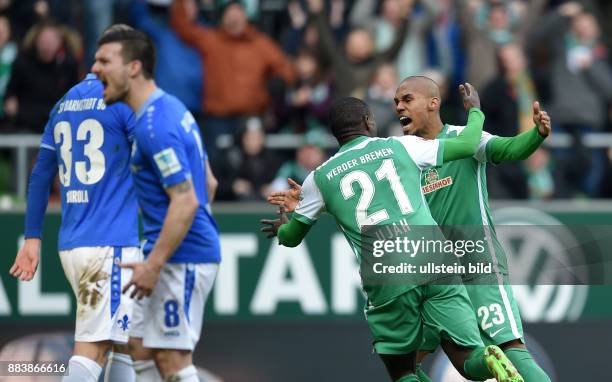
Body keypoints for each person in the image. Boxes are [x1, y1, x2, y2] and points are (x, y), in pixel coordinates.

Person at [262, 94, 523, 382]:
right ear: (368, 122)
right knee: (467, 358)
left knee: (403, 370)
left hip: (387, 272)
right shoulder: (401, 145)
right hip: (434, 256)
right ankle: (490, 361)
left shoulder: (319, 178)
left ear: (334, 134)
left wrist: (282, 227)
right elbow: (467, 143)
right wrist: (475, 111)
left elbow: (291, 237)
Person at [9, 27, 142, 382]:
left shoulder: (64, 102)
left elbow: (39, 176)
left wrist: (32, 237)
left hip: (75, 240)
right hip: (109, 243)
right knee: (93, 348)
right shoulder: (123, 102)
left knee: (123, 342)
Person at [92, 26, 221, 382]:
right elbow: (209, 181)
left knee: (172, 358)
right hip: (175, 253)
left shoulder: (154, 126)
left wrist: (156, 263)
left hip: (180, 258)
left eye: (104, 60)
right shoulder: (172, 107)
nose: (94, 69)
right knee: (139, 346)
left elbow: (186, 200)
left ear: (133, 67)